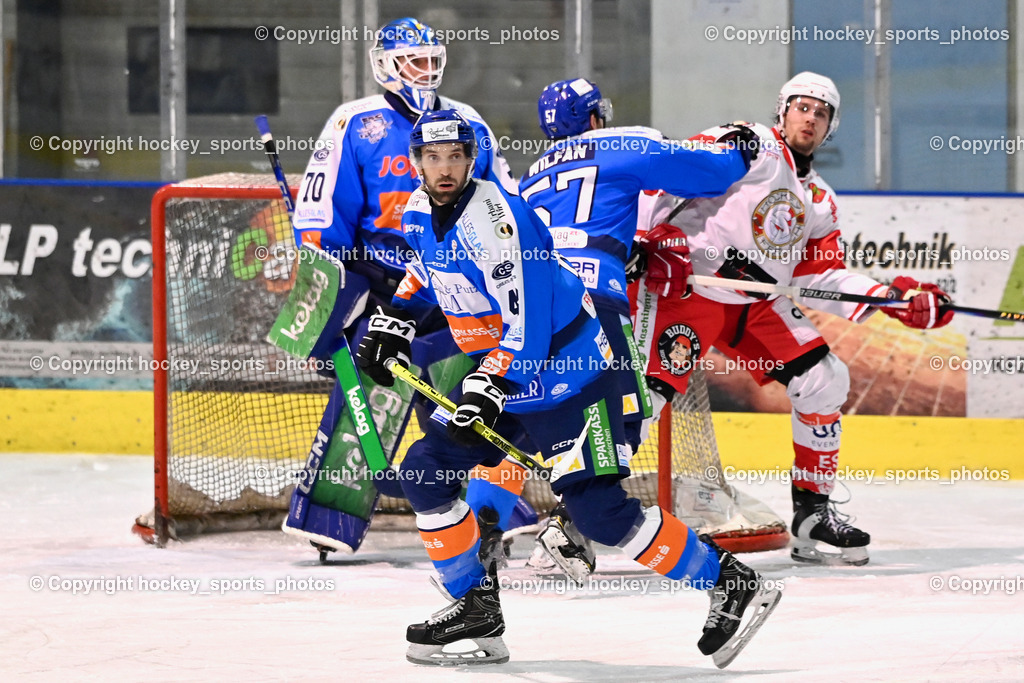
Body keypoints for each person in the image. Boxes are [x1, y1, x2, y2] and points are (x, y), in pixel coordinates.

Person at [355, 109, 781, 667]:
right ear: (417, 162)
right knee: (425, 473)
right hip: (508, 374)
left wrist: (489, 382)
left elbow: (527, 324)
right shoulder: (418, 211)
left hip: (576, 373)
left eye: (455, 157)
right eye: (432, 158)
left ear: (471, 159)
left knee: (600, 512)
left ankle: (729, 583)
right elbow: (431, 271)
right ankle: (475, 608)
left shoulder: (500, 221)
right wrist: (396, 322)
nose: (444, 169)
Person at [630, 72, 954, 567]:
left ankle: (811, 514)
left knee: (826, 380)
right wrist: (643, 237)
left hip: (755, 303)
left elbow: (821, 274)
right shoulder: (751, 145)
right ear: (782, 111)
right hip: (693, 289)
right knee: (648, 397)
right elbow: (669, 169)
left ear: (830, 127)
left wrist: (893, 299)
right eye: (802, 107)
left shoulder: (819, 199)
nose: (810, 117)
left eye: (821, 113)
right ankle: (580, 508)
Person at [464, 77, 757, 580]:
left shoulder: (529, 178)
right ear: (596, 118)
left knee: (523, 425)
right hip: (592, 314)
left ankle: (477, 551)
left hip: (528, 318)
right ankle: (584, 528)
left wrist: (629, 247)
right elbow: (704, 172)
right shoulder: (617, 143)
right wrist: (740, 151)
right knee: (621, 430)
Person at [284, 16, 518, 557]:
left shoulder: (467, 120)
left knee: (472, 395)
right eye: (414, 61)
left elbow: (503, 197)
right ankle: (329, 515)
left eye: (432, 60)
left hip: (459, 279)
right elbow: (322, 207)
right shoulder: (355, 122)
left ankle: (487, 512)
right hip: (385, 281)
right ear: (385, 65)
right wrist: (334, 278)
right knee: (371, 390)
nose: (425, 72)